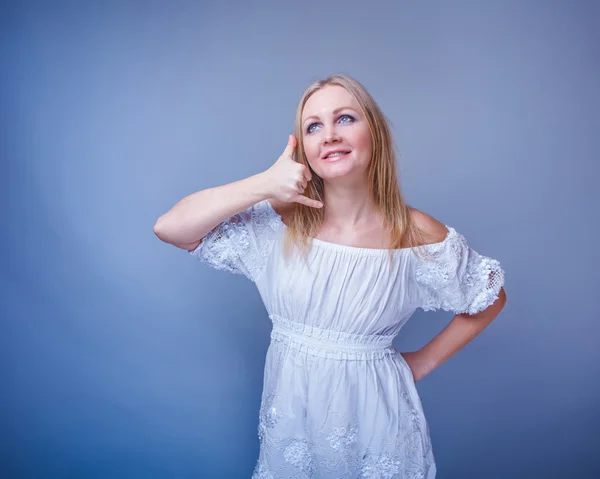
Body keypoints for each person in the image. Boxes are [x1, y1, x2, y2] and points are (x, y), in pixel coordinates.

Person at [154, 74, 506, 478]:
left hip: (381, 425)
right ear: (303, 148)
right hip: (292, 428)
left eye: (345, 118)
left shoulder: (417, 235)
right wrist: (263, 184)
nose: (330, 135)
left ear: (374, 131)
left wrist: (422, 363)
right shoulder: (277, 223)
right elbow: (171, 228)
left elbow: (490, 296)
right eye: (314, 126)